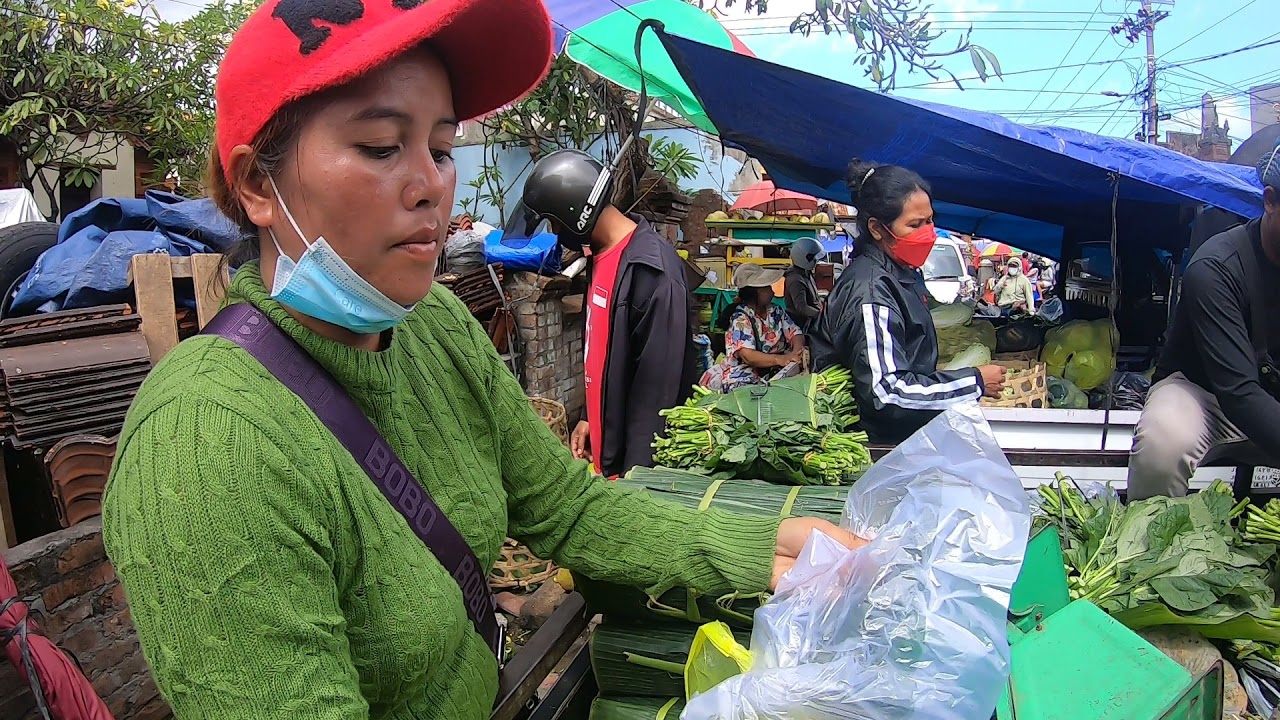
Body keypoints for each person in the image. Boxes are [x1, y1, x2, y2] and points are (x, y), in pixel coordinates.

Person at [100, 2, 864, 718]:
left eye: (440, 148)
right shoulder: (205, 444)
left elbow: (570, 509)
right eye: (380, 147)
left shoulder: (434, 326)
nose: (431, 185)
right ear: (257, 185)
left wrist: (765, 548)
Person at [504, 150, 696, 478]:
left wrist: (634, 485)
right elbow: (602, 354)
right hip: (607, 463)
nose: (555, 232)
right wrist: (589, 418)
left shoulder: (653, 275)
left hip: (633, 477)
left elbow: (656, 402)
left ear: (574, 214)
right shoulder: (601, 256)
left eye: (554, 222)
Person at [809, 160, 1006, 445]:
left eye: (929, 221)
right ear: (877, 228)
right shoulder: (871, 292)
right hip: (873, 446)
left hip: (901, 438)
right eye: (915, 224)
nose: (928, 232)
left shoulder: (900, 274)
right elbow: (886, 393)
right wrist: (972, 382)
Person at [1127, 143, 1280, 500]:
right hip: (1206, 397)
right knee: (1163, 442)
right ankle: (1150, 532)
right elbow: (1238, 392)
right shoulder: (1216, 269)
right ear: (1271, 201)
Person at [705, 264, 805, 392]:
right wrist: (780, 359)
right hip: (747, 373)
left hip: (774, 369)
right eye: (767, 288)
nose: (772, 291)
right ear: (755, 293)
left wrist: (796, 353)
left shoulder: (775, 311)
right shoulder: (740, 318)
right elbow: (748, 356)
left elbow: (795, 332)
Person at [784, 236, 823, 331]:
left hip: (811, 322)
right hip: (802, 326)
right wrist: (821, 316)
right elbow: (802, 308)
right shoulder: (795, 280)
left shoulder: (806, 273)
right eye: (813, 258)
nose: (816, 261)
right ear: (805, 258)